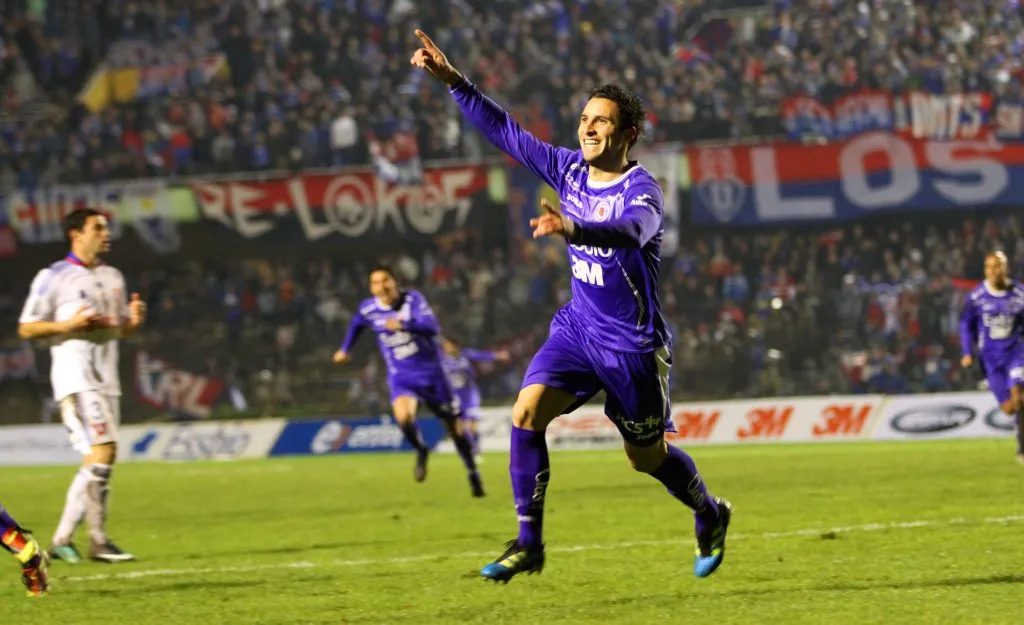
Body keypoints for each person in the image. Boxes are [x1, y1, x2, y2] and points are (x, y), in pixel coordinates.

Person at [411, 29, 732, 583]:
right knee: (525, 413)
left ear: (627, 134)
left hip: (632, 348)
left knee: (645, 459)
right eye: (585, 117)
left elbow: (632, 233)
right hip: (579, 329)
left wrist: (575, 226)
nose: (587, 125)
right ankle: (529, 543)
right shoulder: (567, 170)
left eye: (601, 120)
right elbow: (507, 131)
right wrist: (455, 83)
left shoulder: (644, 190)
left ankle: (710, 512)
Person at [18, 208, 146, 563]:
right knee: (103, 451)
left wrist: (132, 324)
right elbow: (27, 327)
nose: (106, 234)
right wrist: (67, 326)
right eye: (98, 228)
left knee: (99, 458)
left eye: (106, 227)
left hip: (107, 378)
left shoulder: (113, 276)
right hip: (76, 375)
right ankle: (99, 542)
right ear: (76, 234)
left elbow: (117, 329)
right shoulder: (53, 276)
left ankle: (61, 540)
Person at [334, 266, 485, 497]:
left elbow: (433, 328)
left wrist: (404, 324)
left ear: (395, 282)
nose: (381, 287)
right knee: (404, 418)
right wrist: (345, 349)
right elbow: (356, 323)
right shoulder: (369, 309)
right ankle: (421, 449)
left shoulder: (413, 299)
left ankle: (472, 472)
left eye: (385, 280)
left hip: (433, 376)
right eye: (375, 283)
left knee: (455, 429)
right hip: (402, 378)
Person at [959, 251, 1024, 463]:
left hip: (1017, 353)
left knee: (1019, 394)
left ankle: (1022, 449)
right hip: (991, 361)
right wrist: (967, 352)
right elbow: (965, 325)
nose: (992, 271)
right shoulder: (977, 297)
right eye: (988, 267)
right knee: (1009, 408)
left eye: (997, 266)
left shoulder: (1019, 294)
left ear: (1006, 268)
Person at [441, 337, 511, 462]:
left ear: (455, 345)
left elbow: (482, 356)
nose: (446, 347)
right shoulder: (442, 359)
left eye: (448, 345)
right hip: (455, 397)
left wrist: (497, 356)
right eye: (445, 346)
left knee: (472, 425)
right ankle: (466, 450)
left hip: (470, 395)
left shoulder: (465, 354)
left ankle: (476, 450)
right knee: (459, 428)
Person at [0, 504, 49, 597]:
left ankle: (36, 587)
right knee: (28, 555)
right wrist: (15, 525)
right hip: (4, 531)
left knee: (28, 555)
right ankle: (35, 589)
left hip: (4, 530)